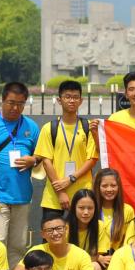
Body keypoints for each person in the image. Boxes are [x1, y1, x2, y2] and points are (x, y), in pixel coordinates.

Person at [0, 81, 40, 270]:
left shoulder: (31, 126)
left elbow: (42, 155)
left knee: (18, 246)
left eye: (20, 104)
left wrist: (34, 160)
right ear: (2, 100)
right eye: (11, 103)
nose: (15, 108)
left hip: (22, 195)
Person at [34, 79, 97, 217]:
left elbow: (92, 159)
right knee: (53, 230)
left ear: (81, 101)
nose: (71, 100)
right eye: (67, 97)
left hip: (83, 194)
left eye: (75, 97)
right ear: (59, 100)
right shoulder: (49, 128)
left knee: (81, 232)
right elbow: (46, 161)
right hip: (54, 196)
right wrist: (61, 192)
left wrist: (71, 179)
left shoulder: (88, 127)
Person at [12, 214, 99, 270]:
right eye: (50, 230)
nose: (55, 233)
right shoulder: (36, 250)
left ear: (66, 229)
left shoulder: (81, 254)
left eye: (59, 228)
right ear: (43, 234)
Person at [66, 189, 111, 270]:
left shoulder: (100, 226)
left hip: (87, 268)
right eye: (81, 208)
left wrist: (98, 257)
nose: (86, 212)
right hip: (68, 268)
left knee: (95, 267)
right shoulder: (64, 228)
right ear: (74, 208)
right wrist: (98, 258)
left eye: (90, 208)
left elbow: (98, 255)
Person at [95, 168, 135, 264]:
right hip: (96, 259)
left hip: (120, 259)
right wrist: (98, 257)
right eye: (104, 186)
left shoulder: (127, 210)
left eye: (113, 185)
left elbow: (130, 240)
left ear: (119, 187)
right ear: (98, 187)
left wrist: (118, 258)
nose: (109, 189)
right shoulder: (91, 209)